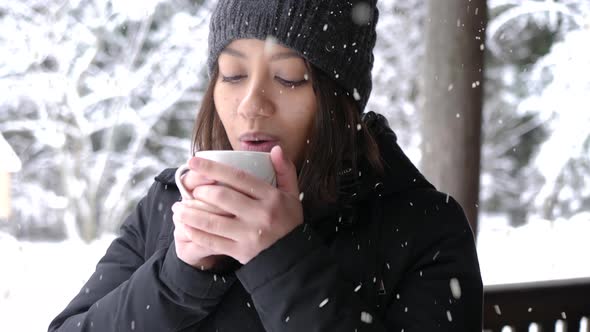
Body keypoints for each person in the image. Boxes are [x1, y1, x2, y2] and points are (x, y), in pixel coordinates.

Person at [49, 0, 483, 331]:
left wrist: (282, 258)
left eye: (290, 77)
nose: (251, 104)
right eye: (233, 75)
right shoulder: (169, 204)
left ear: (340, 100)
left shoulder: (425, 228)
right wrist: (179, 276)